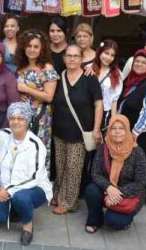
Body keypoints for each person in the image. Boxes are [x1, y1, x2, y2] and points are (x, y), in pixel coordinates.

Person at [0, 102, 53, 246]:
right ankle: (16, 209)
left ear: (27, 121)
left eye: (21, 118)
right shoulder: (4, 136)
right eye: (12, 118)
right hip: (5, 189)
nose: (16, 121)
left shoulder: (35, 144)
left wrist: (9, 189)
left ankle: (27, 226)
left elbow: (34, 177)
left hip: (34, 188)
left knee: (20, 197)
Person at [51, 44, 103, 215]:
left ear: (82, 59)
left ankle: (69, 202)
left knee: (73, 168)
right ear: (64, 58)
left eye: (76, 56)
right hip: (59, 131)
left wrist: (96, 129)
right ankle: (58, 195)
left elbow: (98, 104)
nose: (72, 59)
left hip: (80, 133)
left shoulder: (90, 78)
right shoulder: (60, 77)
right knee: (60, 166)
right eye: (69, 56)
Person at [84, 115, 146, 233]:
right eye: (113, 128)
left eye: (121, 128)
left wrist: (117, 193)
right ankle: (95, 220)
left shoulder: (137, 152)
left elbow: (141, 182)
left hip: (129, 194)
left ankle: (123, 219)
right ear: (109, 130)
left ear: (127, 130)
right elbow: (95, 172)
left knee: (114, 221)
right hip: (107, 188)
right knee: (91, 190)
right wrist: (109, 187)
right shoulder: (104, 147)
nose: (117, 132)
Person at [15, 29, 59, 170]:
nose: (32, 49)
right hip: (22, 116)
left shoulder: (46, 68)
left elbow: (49, 96)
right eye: (29, 46)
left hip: (40, 117)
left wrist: (27, 90)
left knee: (37, 154)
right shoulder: (21, 67)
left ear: (42, 49)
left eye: (36, 46)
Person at [117, 50, 146, 174]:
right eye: (137, 61)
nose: (139, 64)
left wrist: (133, 135)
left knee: (136, 169)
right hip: (124, 132)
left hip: (139, 136)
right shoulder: (128, 81)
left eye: (143, 63)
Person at [91, 39, 123, 130]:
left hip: (104, 114)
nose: (108, 57)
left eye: (112, 55)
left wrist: (113, 120)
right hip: (87, 110)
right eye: (106, 53)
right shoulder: (90, 68)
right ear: (100, 52)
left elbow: (114, 101)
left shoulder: (117, 75)